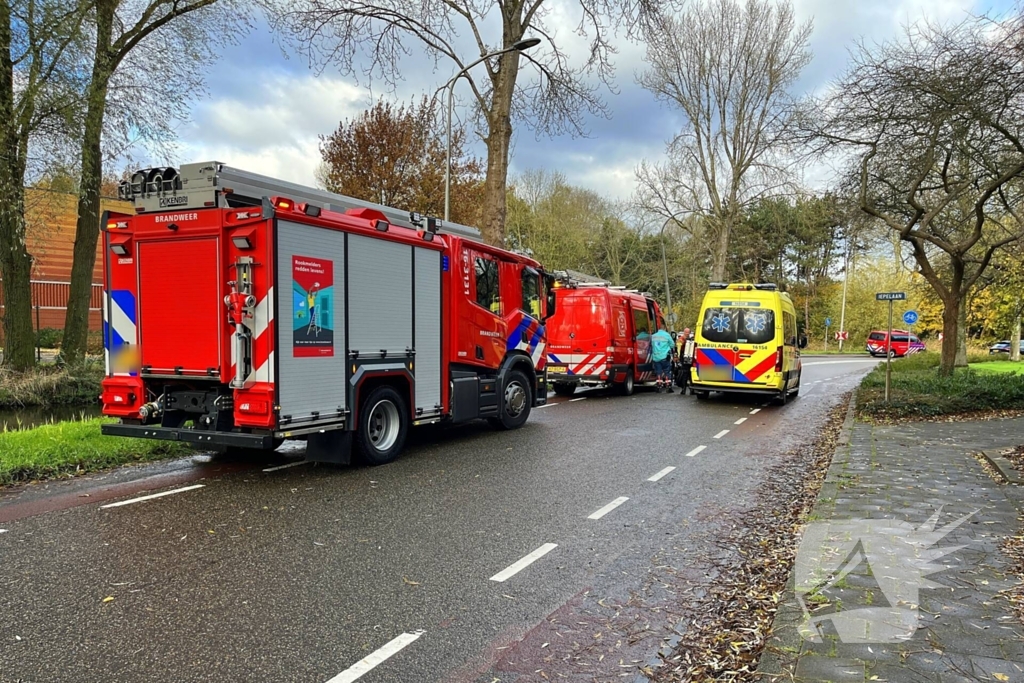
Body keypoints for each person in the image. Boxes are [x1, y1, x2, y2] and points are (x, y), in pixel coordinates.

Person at [651, 325, 675, 393]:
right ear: (664, 329)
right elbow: (672, 345)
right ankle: (668, 386)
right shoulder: (667, 335)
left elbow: (651, 345)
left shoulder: (653, 336)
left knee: (658, 372)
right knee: (667, 371)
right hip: (665, 356)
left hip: (656, 357)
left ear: (659, 329)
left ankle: (658, 385)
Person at [676, 328, 695, 395]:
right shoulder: (683, 339)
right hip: (687, 358)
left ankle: (687, 389)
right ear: (684, 332)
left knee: (688, 373)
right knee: (687, 373)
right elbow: (678, 347)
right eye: (686, 332)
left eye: (688, 332)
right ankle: (687, 389)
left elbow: (678, 347)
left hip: (687, 358)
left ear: (689, 333)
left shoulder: (683, 339)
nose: (687, 333)